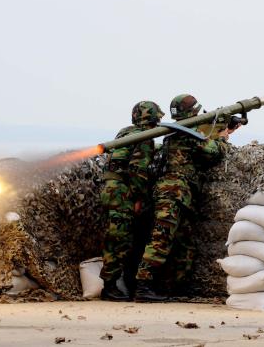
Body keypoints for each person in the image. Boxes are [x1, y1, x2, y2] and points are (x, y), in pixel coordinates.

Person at [134, 94, 236, 302]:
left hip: (181, 195)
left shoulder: (174, 134)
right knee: (161, 238)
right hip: (173, 194)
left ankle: (174, 288)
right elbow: (213, 153)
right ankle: (143, 286)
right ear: (191, 113)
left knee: (184, 244)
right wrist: (223, 139)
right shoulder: (187, 135)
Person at [99, 101, 164, 301]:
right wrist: (138, 198)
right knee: (120, 239)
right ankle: (109, 288)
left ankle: (112, 285)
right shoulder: (144, 139)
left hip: (110, 190)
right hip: (123, 193)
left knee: (114, 237)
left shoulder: (125, 133)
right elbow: (138, 170)